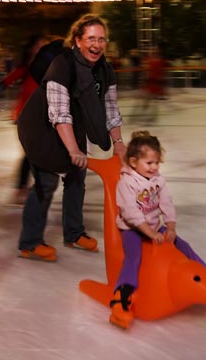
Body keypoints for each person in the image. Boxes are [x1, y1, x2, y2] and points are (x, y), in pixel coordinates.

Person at [16, 14, 126, 262]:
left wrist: (118, 143)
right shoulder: (62, 65)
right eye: (91, 39)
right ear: (77, 40)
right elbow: (59, 113)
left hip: (72, 125)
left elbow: (110, 108)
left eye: (101, 39)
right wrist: (74, 150)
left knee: (77, 177)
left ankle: (74, 233)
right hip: (40, 126)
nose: (97, 45)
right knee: (46, 182)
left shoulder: (105, 71)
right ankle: (30, 243)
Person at [110, 131, 206, 329]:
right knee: (134, 256)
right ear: (133, 162)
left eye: (156, 163)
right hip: (132, 229)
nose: (154, 167)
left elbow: (166, 203)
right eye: (149, 163)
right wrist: (150, 233)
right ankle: (122, 298)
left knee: (184, 246)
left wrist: (170, 227)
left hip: (154, 225)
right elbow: (131, 213)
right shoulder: (126, 183)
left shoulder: (158, 179)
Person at [0, 34, 49, 204]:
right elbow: (5, 82)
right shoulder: (25, 68)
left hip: (41, 115)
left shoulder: (47, 67)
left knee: (41, 152)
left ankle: (32, 185)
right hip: (24, 115)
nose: (42, 49)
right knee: (31, 153)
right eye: (39, 46)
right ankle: (22, 187)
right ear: (31, 49)